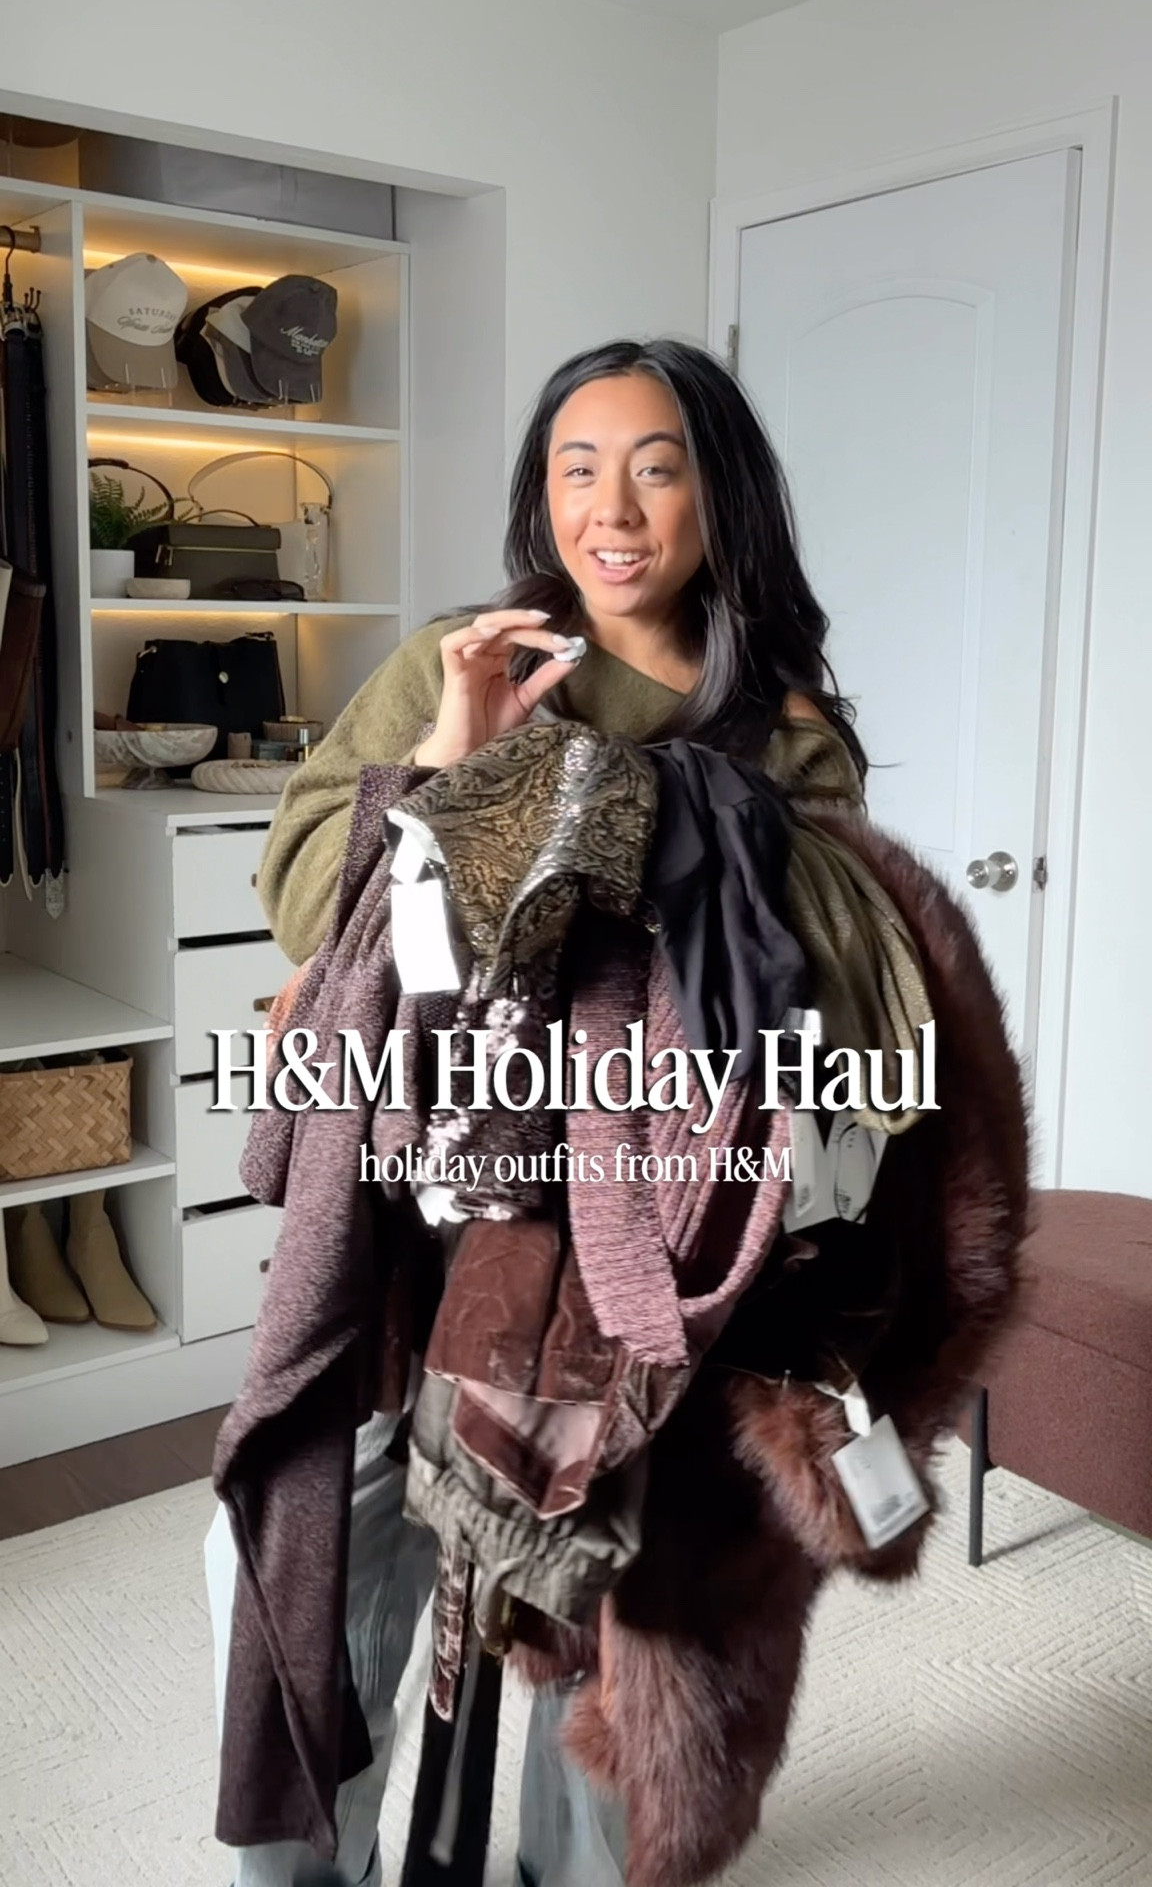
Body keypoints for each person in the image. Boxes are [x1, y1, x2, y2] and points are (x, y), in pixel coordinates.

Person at [205, 337, 868, 1887]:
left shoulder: (783, 731)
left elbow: (818, 986)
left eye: (655, 467)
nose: (611, 510)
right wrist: (456, 763)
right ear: (542, 490)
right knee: (331, 1546)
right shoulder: (470, 655)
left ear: (719, 495)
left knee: (612, 1605)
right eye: (578, 467)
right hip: (419, 1202)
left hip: (634, 1251)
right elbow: (304, 890)